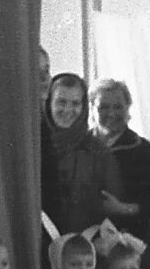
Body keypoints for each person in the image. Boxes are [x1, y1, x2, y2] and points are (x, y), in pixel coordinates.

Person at [42, 72, 131, 237]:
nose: (68, 110)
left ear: (83, 108)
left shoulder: (98, 153)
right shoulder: (35, 147)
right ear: (49, 103)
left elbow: (112, 211)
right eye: (61, 102)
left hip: (86, 248)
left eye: (75, 103)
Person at [90, 79, 150, 242]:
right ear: (91, 109)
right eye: (103, 107)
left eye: (118, 107)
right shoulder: (80, 146)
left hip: (130, 239)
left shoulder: (145, 151)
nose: (111, 113)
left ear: (128, 108)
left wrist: (122, 209)